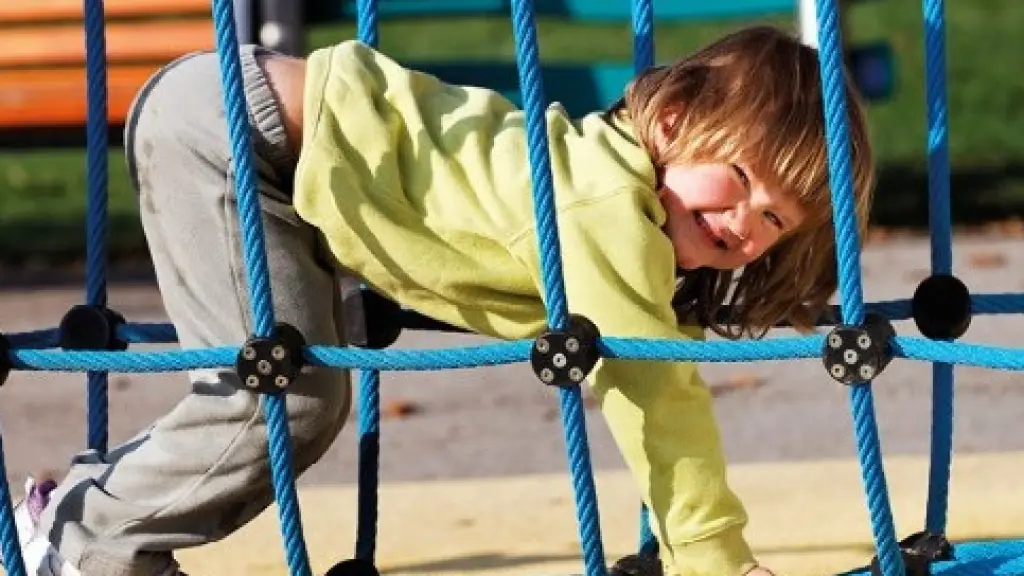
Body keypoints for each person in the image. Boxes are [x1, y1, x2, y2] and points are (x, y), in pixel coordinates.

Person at [7, 23, 874, 576]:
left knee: (294, 381)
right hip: (235, 133)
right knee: (285, 397)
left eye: (775, 221)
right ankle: (88, 545)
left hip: (262, 136)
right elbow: (654, 388)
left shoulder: (594, 182)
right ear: (676, 121)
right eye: (740, 180)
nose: (744, 224)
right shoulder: (604, 206)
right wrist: (717, 560)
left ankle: (81, 514)